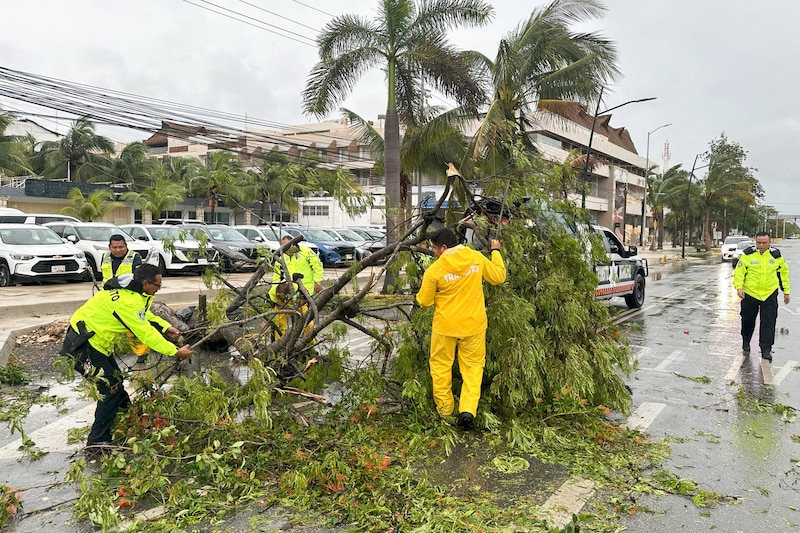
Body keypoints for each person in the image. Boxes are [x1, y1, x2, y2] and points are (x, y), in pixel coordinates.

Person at [59, 264, 192, 452]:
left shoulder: (132, 288)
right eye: (158, 285)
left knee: (115, 381)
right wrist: (174, 351)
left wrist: (164, 327)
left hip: (97, 343)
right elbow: (145, 333)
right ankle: (97, 441)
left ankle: (129, 420)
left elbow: (144, 315)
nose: (159, 289)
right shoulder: (127, 302)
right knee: (109, 390)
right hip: (82, 346)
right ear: (146, 283)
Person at [415, 228, 507, 428]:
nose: (435, 252)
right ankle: (467, 410)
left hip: (445, 327)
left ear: (444, 247)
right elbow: (499, 277)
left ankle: (445, 411)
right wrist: (495, 251)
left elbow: (423, 301)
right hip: (474, 325)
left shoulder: (435, 270)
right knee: (473, 368)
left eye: (435, 249)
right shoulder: (475, 258)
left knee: (440, 368)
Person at [733, 231, 791, 362]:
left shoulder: (776, 256)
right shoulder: (748, 255)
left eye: (764, 243)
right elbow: (739, 272)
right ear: (755, 242)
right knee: (747, 320)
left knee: (768, 322)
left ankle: (766, 349)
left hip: (769, 294)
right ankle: (746, 341)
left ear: (769, 242)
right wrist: (739, 287)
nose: (761, 245)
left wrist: (786, 292)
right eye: (759, 242)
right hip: (750, 293)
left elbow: (783, 274)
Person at [269, 236, 324, 337]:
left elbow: (318, 267)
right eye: (282, 246)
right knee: (282, 320)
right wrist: (274, 294)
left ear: (293, 244)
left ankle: (307, 341)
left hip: (305, 291)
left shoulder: (306, 252)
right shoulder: (281, 258)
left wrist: (317, 282)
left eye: (286, 246)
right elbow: (276, 277)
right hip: (287, 293)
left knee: (304, 319)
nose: (284, 249)